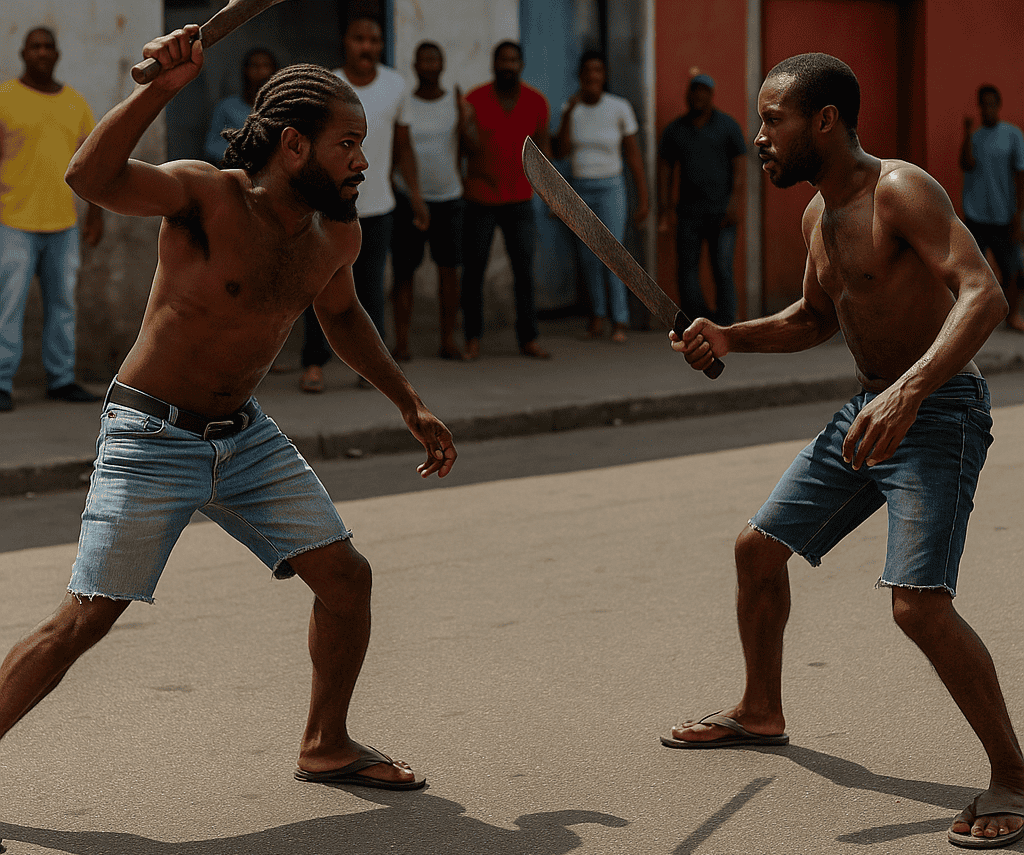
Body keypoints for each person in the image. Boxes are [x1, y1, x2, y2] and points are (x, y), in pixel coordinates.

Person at [0, 27, 456, 793]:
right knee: (85, 617)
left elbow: (341, 318)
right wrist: (162, 87)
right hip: (150, 435)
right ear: (293, 146)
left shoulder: (335, 232)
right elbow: (91, 174)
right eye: (347, 143)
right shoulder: (207, 197)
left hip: (244, 437)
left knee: (346, 577)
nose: (363, 162)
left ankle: (326, 742)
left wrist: (409, 401)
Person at [667, 53, 1024, 850]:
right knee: (757, 550)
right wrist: (729, 334)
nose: (759, 137)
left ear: (824, 120)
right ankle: (761, 709)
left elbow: (985, 292)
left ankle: (1013, 771)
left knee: (917, 602)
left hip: (937, 410)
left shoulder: (900, 188)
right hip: (870, 411)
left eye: (772, 120)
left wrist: (911, 391)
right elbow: (813, 318)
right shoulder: (817, 215)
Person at [300, 16, 428, 393]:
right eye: (359, 39)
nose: (367, 47)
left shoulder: (395, 85)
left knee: (371, 290)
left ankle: (370, 367)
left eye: (373, 39)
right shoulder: (329, 86)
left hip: (377, 208)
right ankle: (314, 363)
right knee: (319, 287)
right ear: (346, 42)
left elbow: (403, 147)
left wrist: (416, 197)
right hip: (328, 209)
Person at [0, 26, 103, 413]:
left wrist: (95, 213)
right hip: (12, 221)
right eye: (35, 46)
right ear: (23, 53)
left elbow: (91, 163)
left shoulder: (75, 103)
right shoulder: (5, 98)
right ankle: (1, 382)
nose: (42, 53)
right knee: (8, 306)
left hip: (63, 223)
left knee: (63, 306)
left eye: (48, 47)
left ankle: (61, 378)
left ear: (57, 54)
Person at [460, 40, 551, 361]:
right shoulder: (473, 99)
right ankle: (472, 338)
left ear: (521, 64)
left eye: (513, 59)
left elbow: (543, 153)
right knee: (473, 272)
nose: (508, 65)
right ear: (494, 64)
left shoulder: (537, 102)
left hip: (520, 201)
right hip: (480, 198)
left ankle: (529, 338)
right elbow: (465, 149)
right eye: (502, 60)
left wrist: (550, 196)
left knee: (524, 271)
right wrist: (462, 123)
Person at [390, 41, 479, 362]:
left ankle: (447, 341)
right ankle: (401, 343)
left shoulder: (455, 101)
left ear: (442, 66)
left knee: (449, 272)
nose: (429, 65)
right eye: (423, 59)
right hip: (408, 199)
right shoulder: (405, 102)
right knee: (404, 273)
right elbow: (396, 149)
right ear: (414, 65)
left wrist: (465, 119)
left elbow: (472, 148)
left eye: (434, 60)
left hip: (449, 199)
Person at [554, 49, 649, 343]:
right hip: (581, 188)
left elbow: (633, 156)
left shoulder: (619, 107)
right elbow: (561, 152)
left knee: (614, 253)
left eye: (598, 71)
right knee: (588, 256)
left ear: (603, 75)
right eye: (587, 71)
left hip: (611, 187)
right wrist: (569, 113)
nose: (592, 76)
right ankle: (597, 315)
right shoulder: (571, 109)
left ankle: (619, 319)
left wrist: (643, 198)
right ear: (580, 76)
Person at [658, 71, 746, 327]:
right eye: (693, 91)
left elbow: (740, 167)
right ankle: (696, 321)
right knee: (687, 271)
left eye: (703, 91)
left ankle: (726, 322)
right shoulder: (674, 131)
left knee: (722, 268)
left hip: (723, 213)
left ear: (711, 95)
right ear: (688, 95)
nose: (697, 96)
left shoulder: (728, 126)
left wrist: (735, 203)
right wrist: (665, 209)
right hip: (688, 213)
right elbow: (665, 171)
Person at [960, 84, 1024, 333]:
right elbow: (966, 163)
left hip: (1004, 215)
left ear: (998, 105)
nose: (986, 109)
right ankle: (972, 322)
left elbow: (1020, 177)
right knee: (972, 272)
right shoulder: (975, 137)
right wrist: (966, 133)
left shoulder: (1013, 135)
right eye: (982, 104)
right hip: (976, 214)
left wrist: (1018, 215)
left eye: (991, 104)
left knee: (1011, 269)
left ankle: (1013, 316)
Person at [203, 46, 279, 164]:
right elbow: (211, 146)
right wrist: (241, 155)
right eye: (254, 66)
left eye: (266, 66)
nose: (260, 71)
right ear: (245, 70)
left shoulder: (281, 108)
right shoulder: (226, 107)